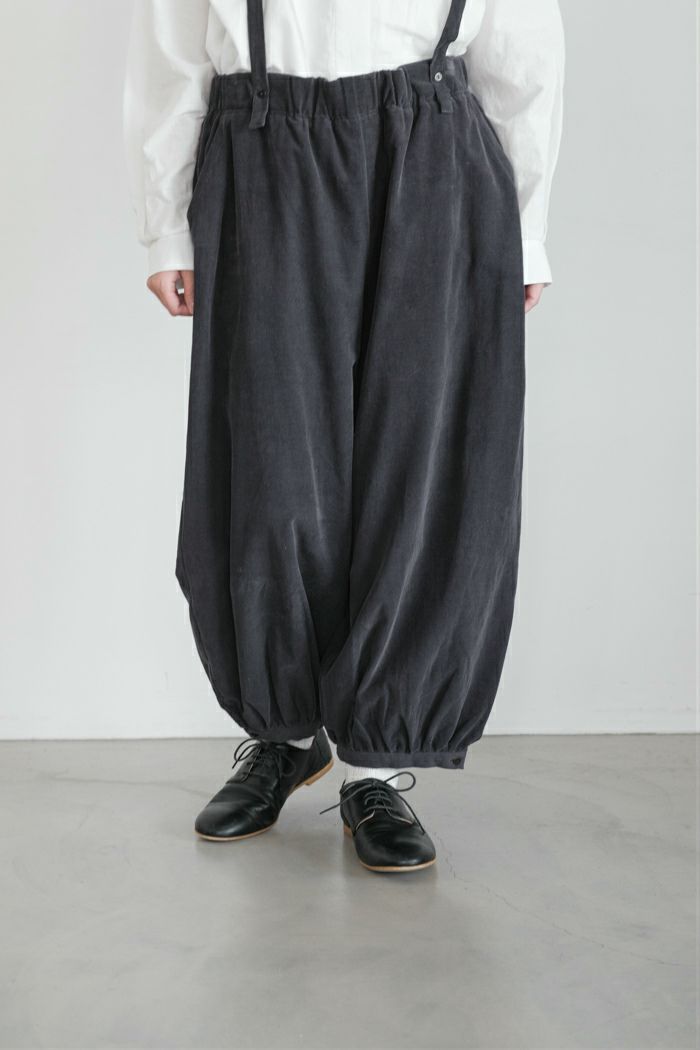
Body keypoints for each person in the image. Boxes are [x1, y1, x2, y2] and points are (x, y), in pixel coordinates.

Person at [124, 0, 564, 874]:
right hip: (263, 144)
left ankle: (373, 763)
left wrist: (527, 231)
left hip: (434, 150)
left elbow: (524, 63)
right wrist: (165, 225)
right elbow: (170, 56)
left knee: (421, 465)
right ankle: (285, 733)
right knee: (269, 469)